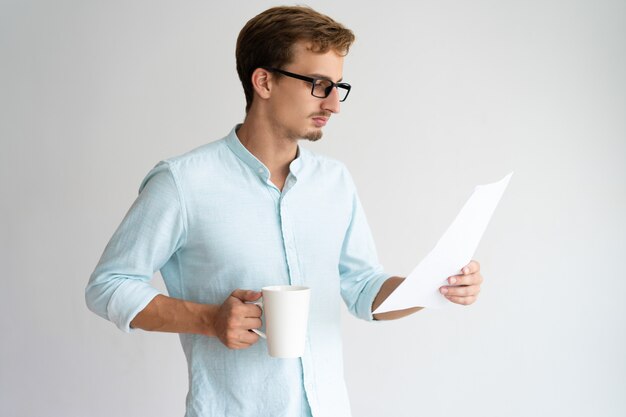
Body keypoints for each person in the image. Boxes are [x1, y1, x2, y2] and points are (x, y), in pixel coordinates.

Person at [85, 5, 484, 417]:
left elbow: (363, 288)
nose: (334, 104)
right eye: (318, 84)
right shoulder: (184, 183)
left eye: (338, 87)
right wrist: (209, 319)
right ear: (264, 81)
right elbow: (109, 285)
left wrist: (433, 284)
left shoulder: (335, 182)